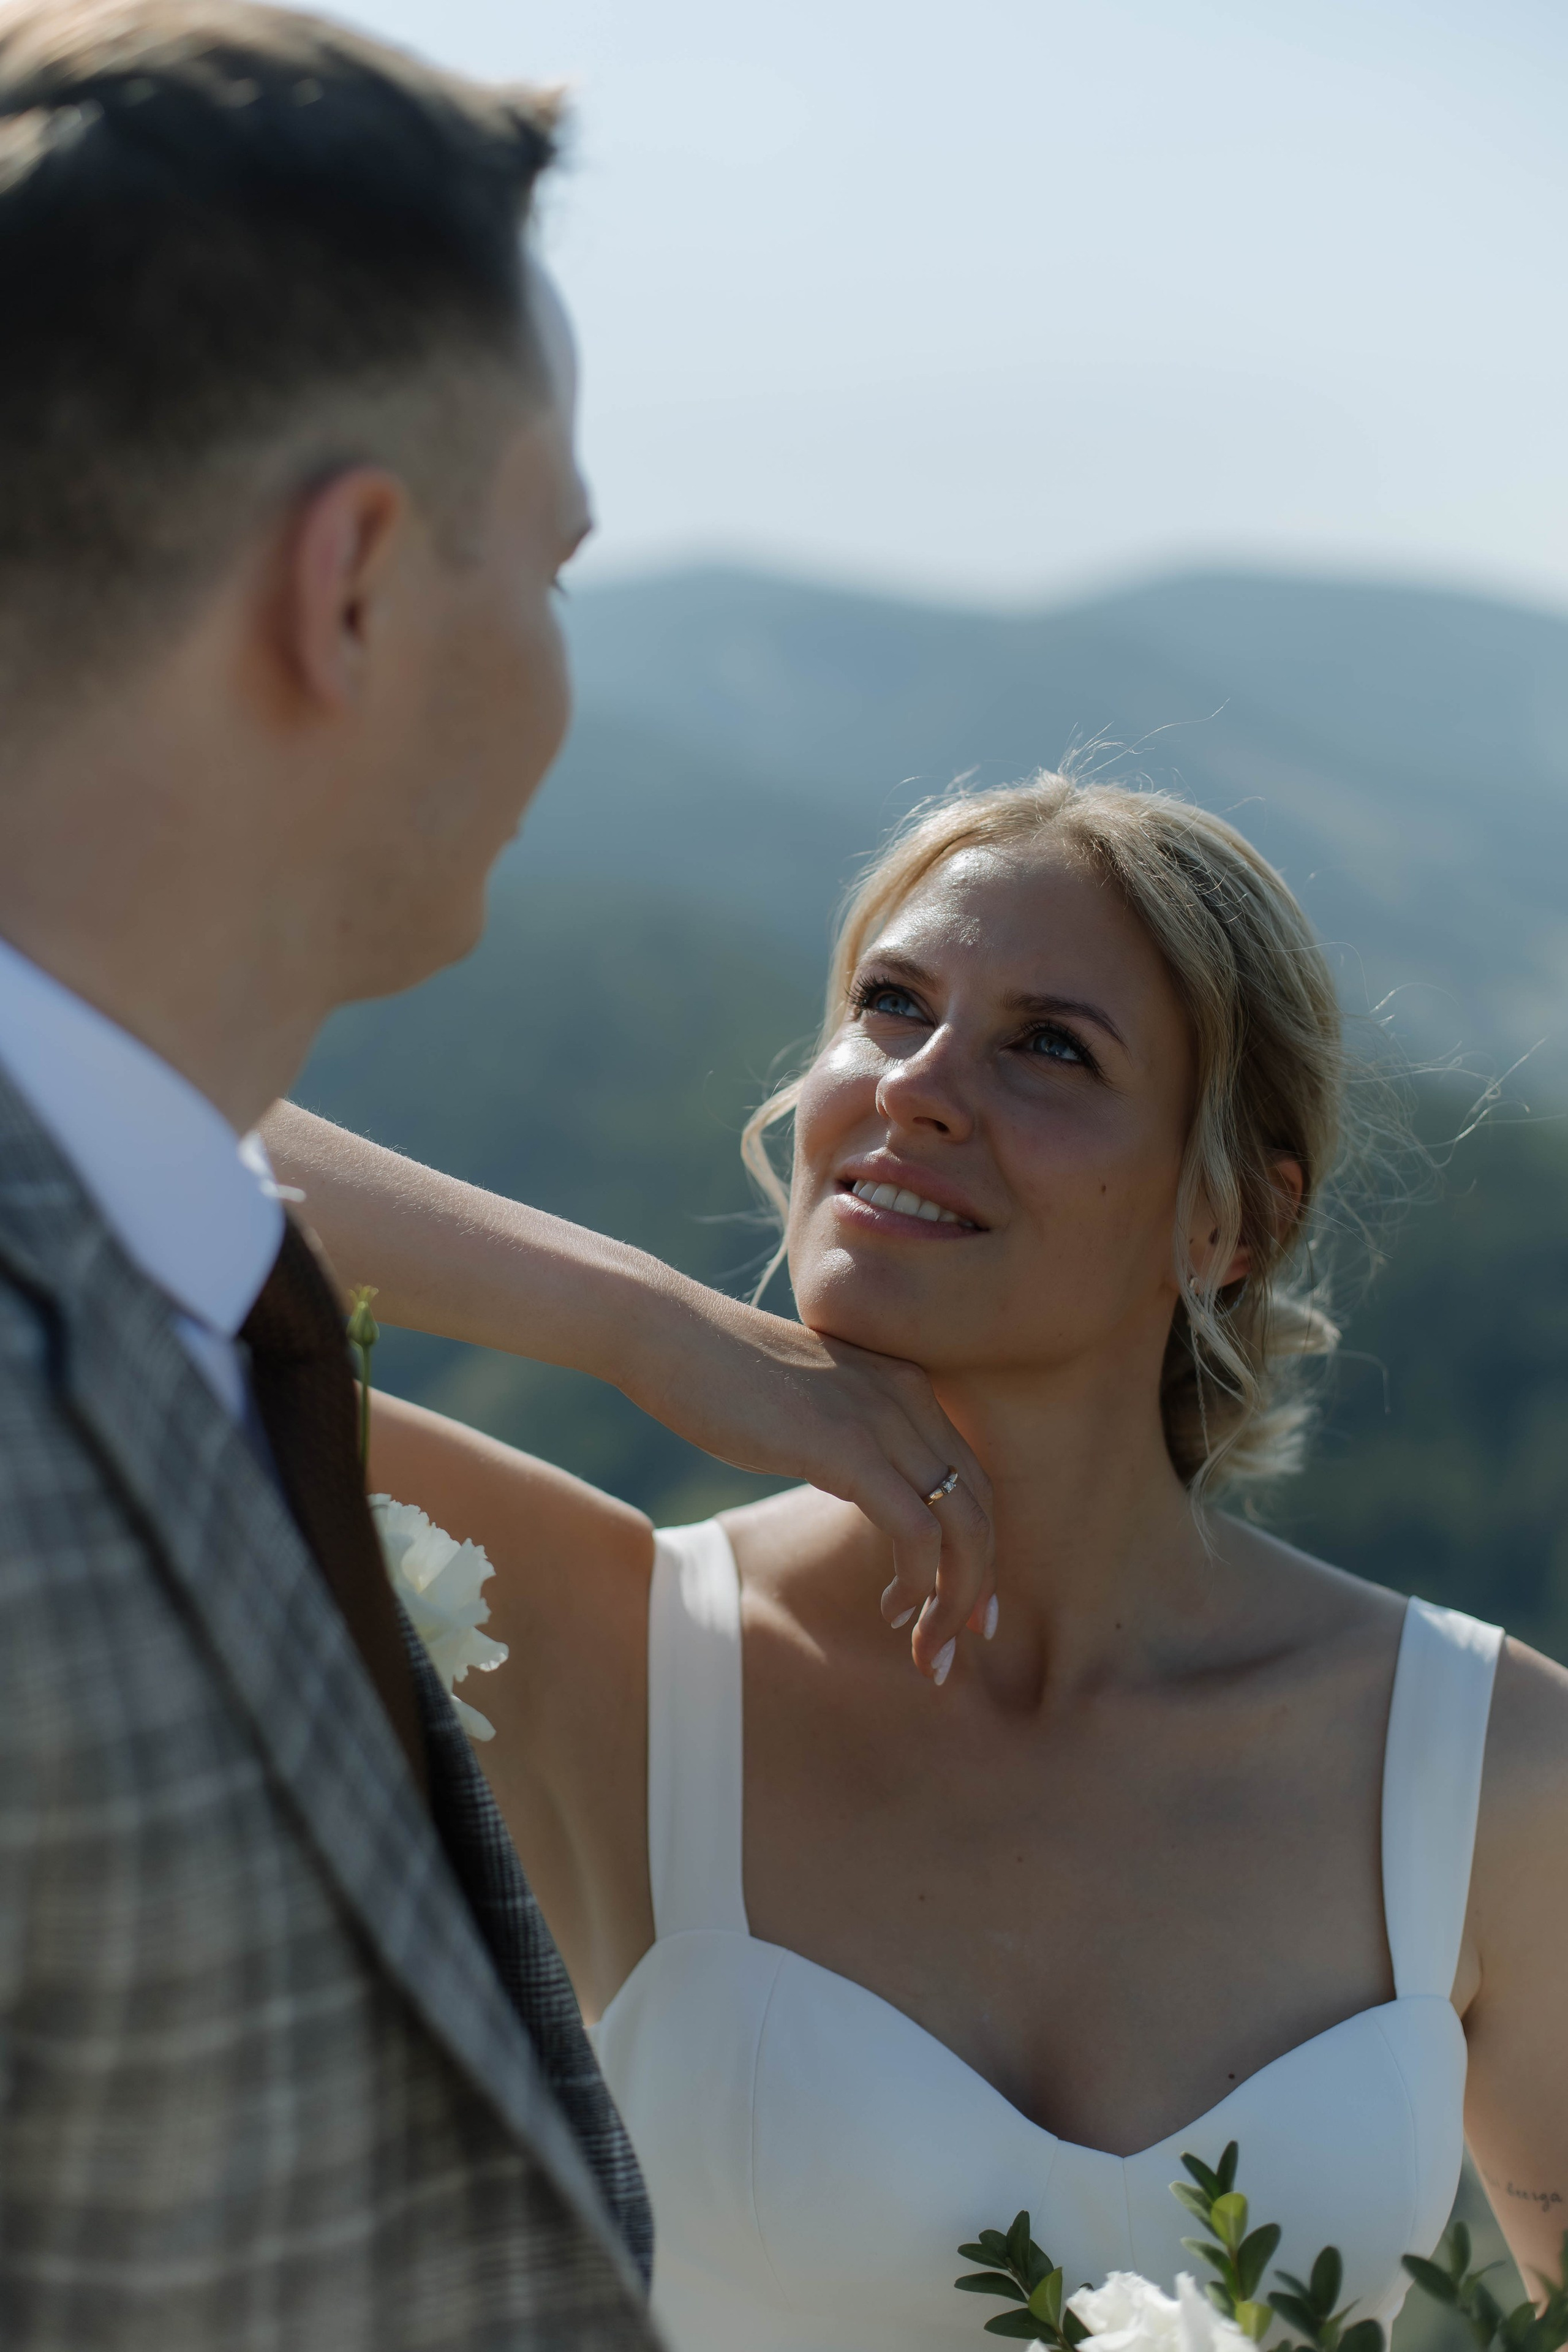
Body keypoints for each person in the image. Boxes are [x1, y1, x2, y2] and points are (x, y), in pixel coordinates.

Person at [0, 4, 988, 2343]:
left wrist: (651, 1325)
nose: (562, 671)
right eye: (543, 564)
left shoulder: (143, 1238)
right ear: (348, 587)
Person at [355, 775, 1568, 2352]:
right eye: (888, 1006)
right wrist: (645, 1329)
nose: (914, 1087)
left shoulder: (1487, 1764)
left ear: (1227, 1225)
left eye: (1049, 1047)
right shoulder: (610, 1646)